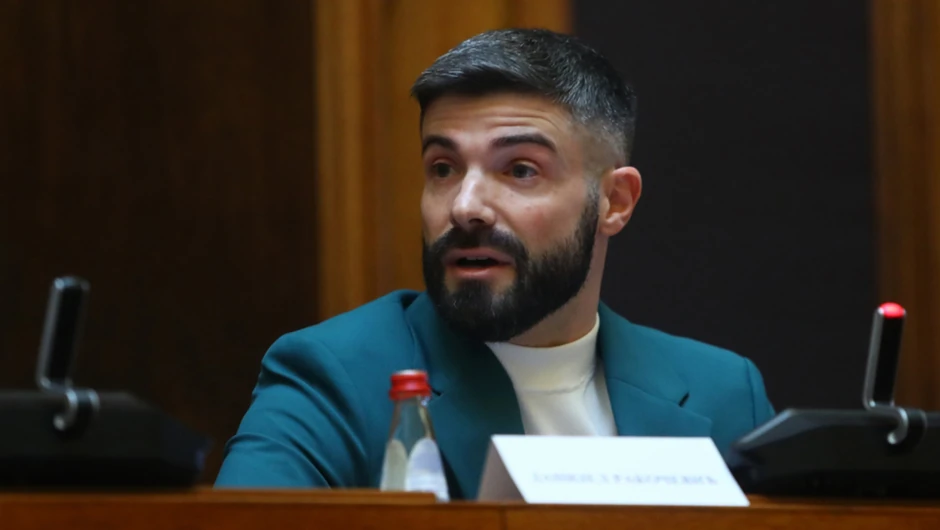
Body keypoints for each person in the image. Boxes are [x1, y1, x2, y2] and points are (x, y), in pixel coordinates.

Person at [215, 28, 774, 499]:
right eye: (443, 168)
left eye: (519, 170)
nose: (465, 207)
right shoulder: (335, 375)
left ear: (614, 202)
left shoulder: (723, 392)